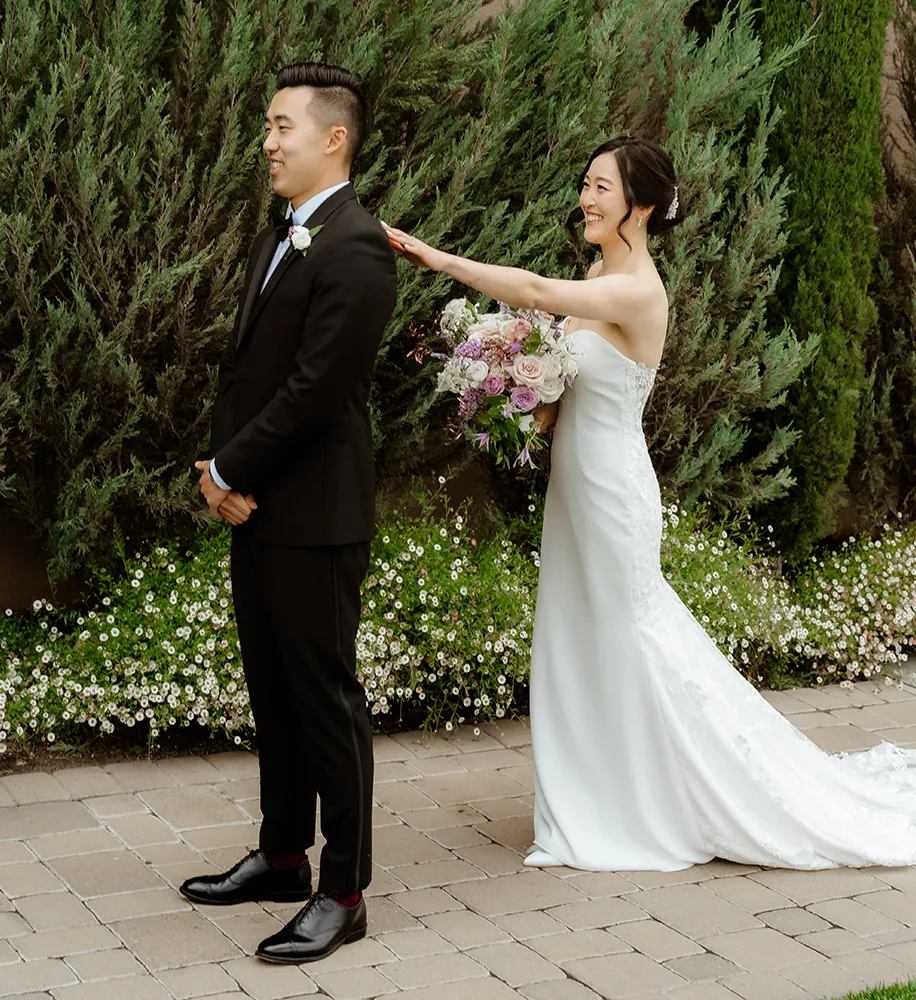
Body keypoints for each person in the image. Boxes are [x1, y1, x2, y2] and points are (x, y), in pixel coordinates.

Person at [383, 136, 916, 872]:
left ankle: (660, 799)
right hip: (575, 487)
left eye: (601, 187)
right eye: (585, 183)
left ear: (639, 206)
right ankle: (599, 794)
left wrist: (437, 259)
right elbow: (567, 381)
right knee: (578, 633)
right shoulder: (600, 271)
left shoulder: (638, 289)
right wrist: (519, 394)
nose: (586, 198)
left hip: (611, 490)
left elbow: (534, 292)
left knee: (630, 634)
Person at [185, 62, 397, 961]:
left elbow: (317, 391)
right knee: (272, 689)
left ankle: (343, 891)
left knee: (324, 701)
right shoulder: (281, 233)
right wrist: (217, 469)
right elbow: (246, 369)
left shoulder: (357, 246)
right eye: (268, 127)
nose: (267, 143)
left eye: (282, 127)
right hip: (259, 505)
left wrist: (232, 465)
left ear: (333, 138)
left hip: (317, 514)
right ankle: (281, 857)